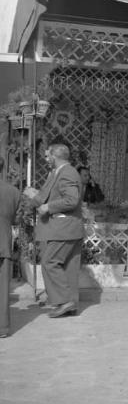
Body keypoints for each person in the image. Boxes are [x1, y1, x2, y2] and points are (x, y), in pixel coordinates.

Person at [23, 143, 83, 318]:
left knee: (50, 262)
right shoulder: (57, 173)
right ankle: (70, 305)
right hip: (64, 229)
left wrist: (49, 206)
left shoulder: (68, 173)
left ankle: (65, 301)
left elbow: (71, 200)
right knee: (68, 266)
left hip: (63, 229)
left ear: (55, 156)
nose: (45, 158)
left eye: (47, 155)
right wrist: (36, 196)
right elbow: (45, 197)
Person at [0, 157, 21, 338]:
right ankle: (3, 327)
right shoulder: (13, 192)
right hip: (3, 240)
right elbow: (15, 219)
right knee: (3, 286)